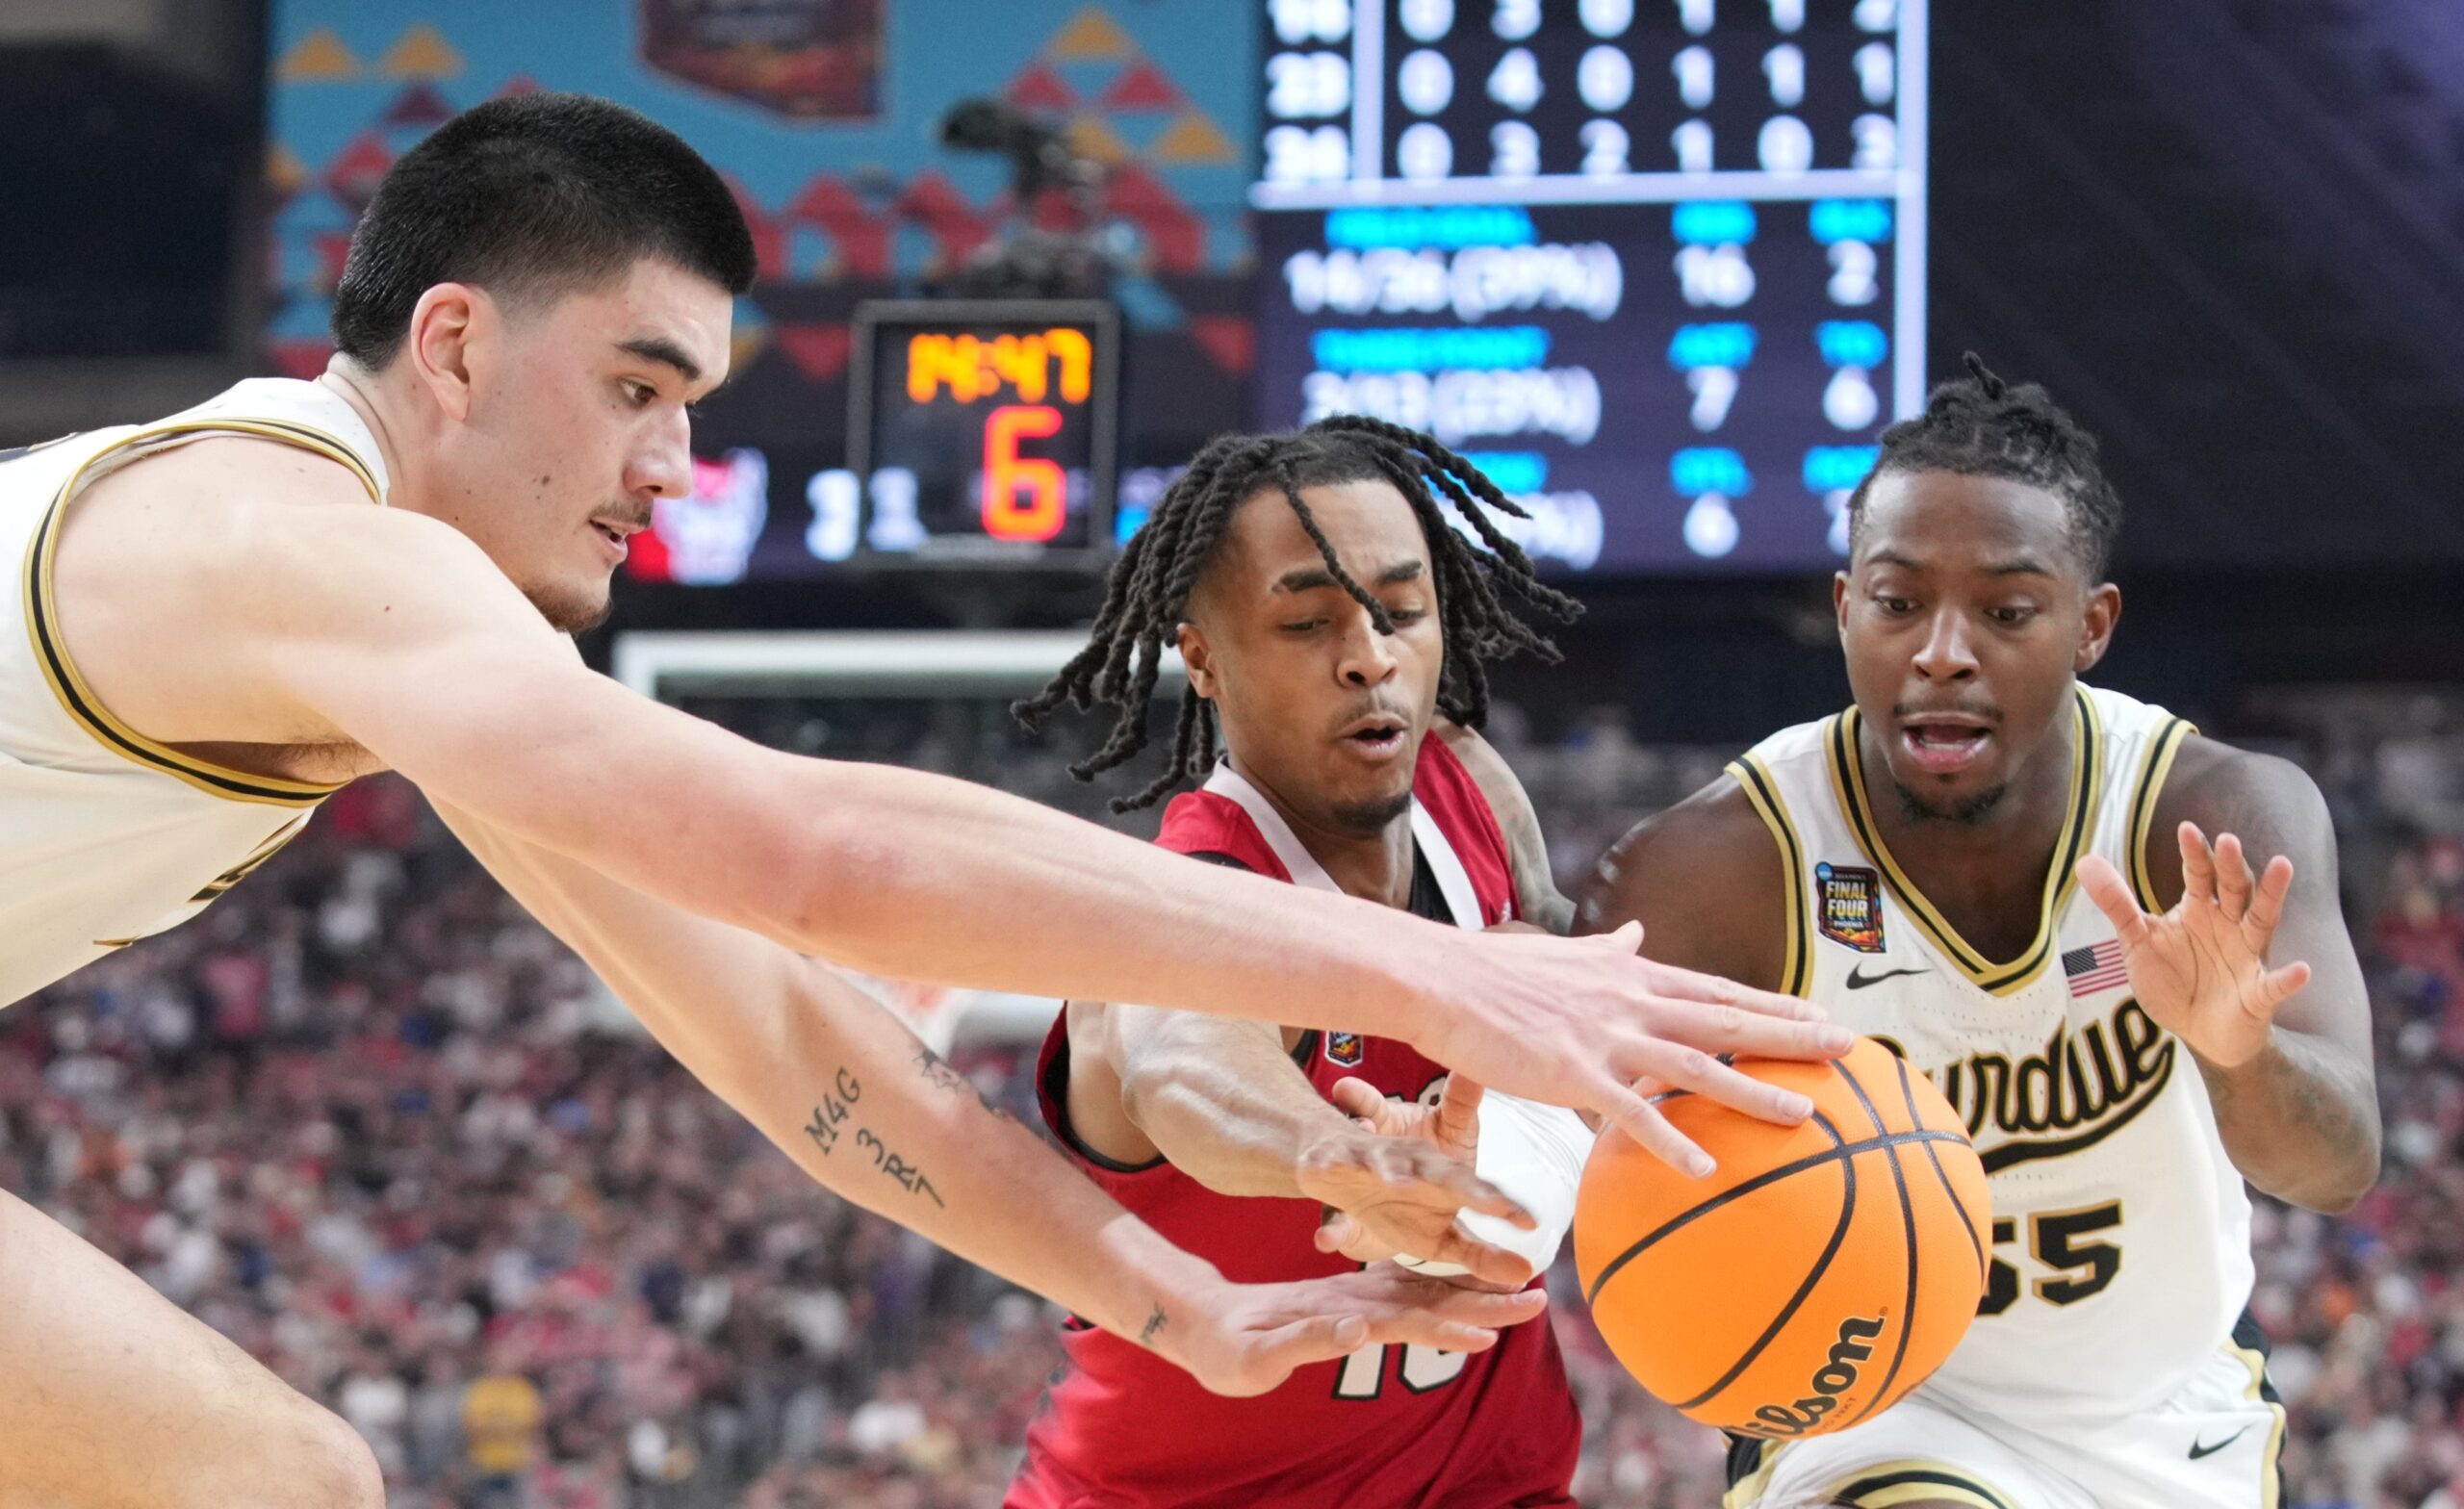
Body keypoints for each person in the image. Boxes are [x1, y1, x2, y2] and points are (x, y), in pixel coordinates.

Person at [0, 93, 1835, 1506]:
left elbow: (793, 1037)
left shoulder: (397, 638)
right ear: (459, 346)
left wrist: (1159, 1293)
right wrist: (1443, 980)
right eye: (640, 384)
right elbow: (812, 856)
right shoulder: (296, 547)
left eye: (694, 402)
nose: (673, 464)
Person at [1578, 357, 2382, 1509]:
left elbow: (2339, 1163)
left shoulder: (2205, 818)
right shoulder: (1725, 864)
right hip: (1870, 1404)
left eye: (2005, 611)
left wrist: (2235, 1053)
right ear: (1847, 604)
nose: (1941, 650)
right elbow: (1561, 1125)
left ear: (2089, 624)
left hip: (2157, 1414)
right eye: (1899, 603)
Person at [1005, 419, 1846, 1508]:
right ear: (1203, 657)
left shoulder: (1470, 793)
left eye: (1402, 611)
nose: (1369, 656)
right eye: (1307, 622)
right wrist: (1344, 1157)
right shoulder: (1188, 901)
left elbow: (1588, 999)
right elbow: (1180, 1060)